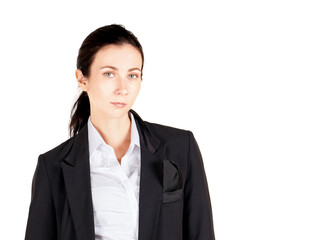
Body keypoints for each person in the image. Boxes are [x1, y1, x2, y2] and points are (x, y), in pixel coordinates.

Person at [25, 24, 215, 240]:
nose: (123, 88)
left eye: (132, 75)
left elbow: (202, 233)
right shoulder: (53, 167)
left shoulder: (180, 146)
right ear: (82, 79)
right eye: (109, 74)